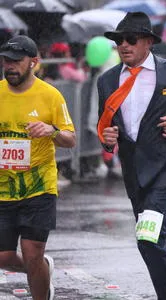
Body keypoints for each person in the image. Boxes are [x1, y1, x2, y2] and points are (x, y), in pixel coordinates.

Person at [97, 12, 166, 300]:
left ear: (148, 42)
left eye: (131, 39)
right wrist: (108, 140)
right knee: (159, 240)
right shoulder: (107, 80)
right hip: (134, 171)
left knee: (148, 239)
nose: (124, 45)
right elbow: (107, 126)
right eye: (119, 40)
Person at [0, 35, 76, 300]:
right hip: (3, 189)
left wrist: (51, 130)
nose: (9, 66)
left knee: (32, 255)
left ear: (34, 62)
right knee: (3, 256)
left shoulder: (50, 95)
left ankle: (40, 284)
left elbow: (71, 138)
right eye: (6, 61)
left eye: (16, 61)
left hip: (39, 187)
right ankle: (42, 270)